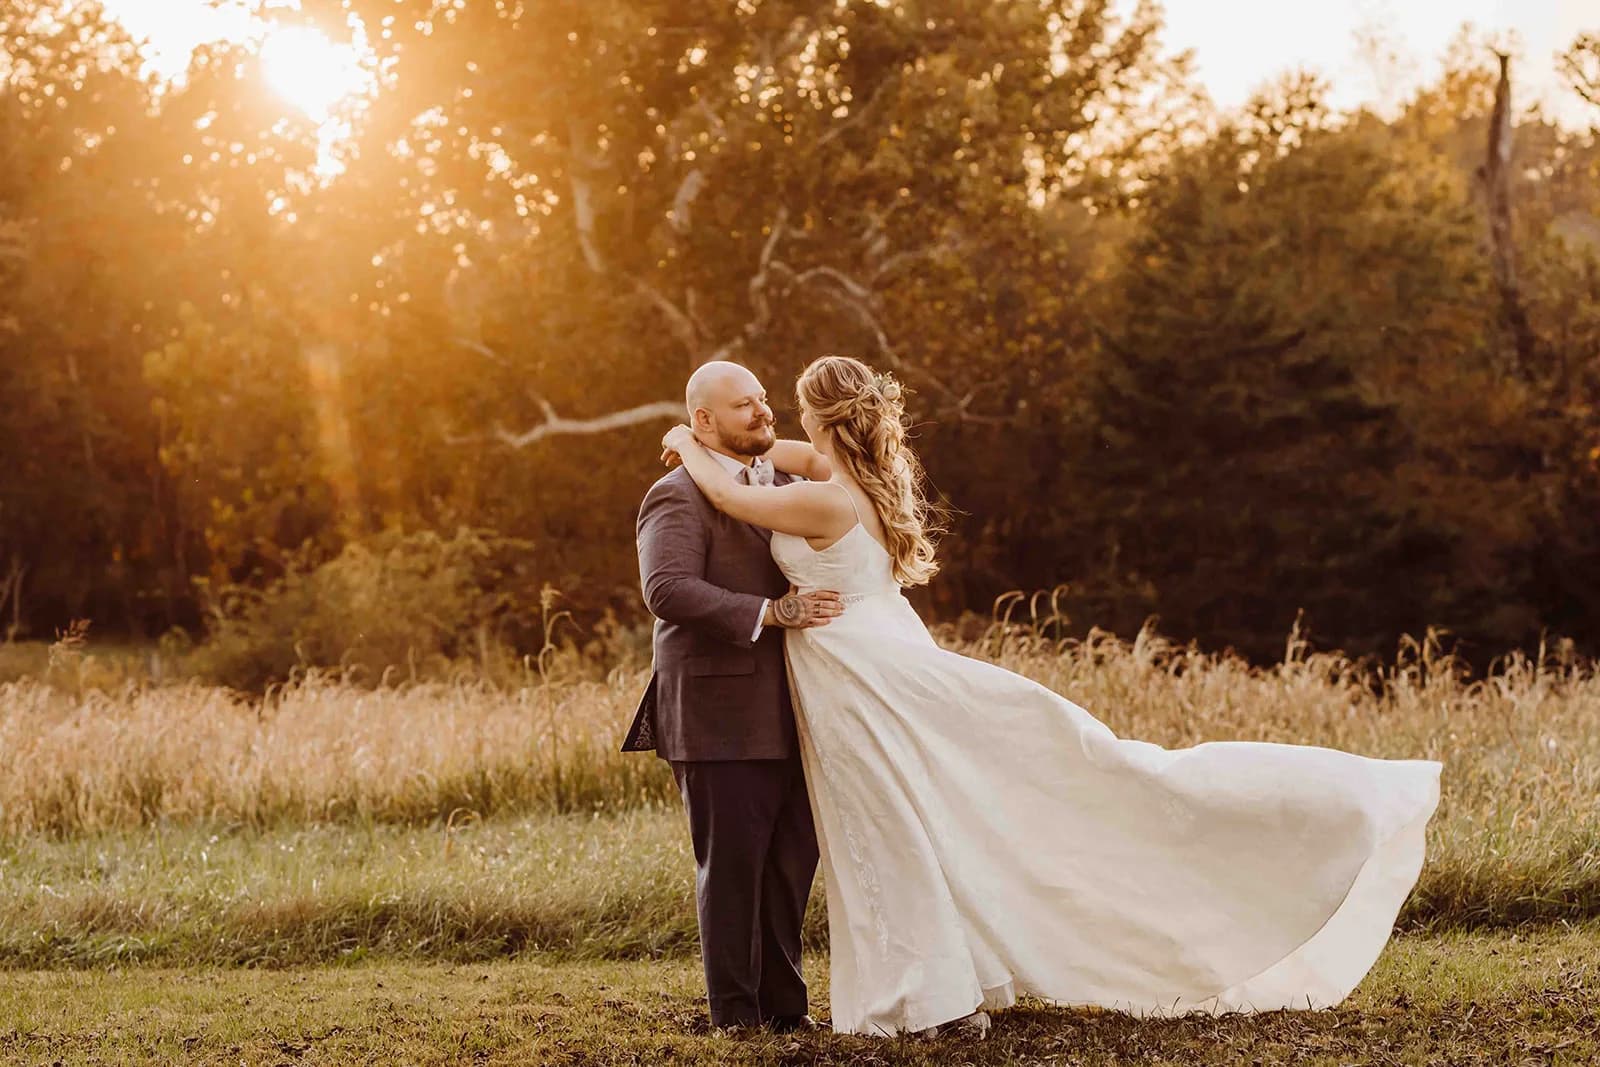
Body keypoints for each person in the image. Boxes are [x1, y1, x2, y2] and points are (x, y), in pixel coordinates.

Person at [658, 354, 1442, 1039]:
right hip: (870, 656)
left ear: (820, 420)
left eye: (788, 408)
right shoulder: (849, 477)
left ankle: (926, 989)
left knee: (892, 822)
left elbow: (730, 498)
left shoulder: (824, 499)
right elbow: (774, 459)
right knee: (912, 817)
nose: (773, 420)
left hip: (863, 675)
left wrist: (690, 441)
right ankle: (932, 978)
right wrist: (723, 438)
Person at [623, 361, 844, 1034]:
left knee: (789, 866)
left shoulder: (786, 485)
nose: (760, 411)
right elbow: (666, 589)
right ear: (703, 421)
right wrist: (770, 613)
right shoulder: (675, 494)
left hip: (796, 713)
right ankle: (735, 1015)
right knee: (732, 870)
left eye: (761, 400)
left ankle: (787, 1007)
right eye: (741, 404)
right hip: (717, 715)